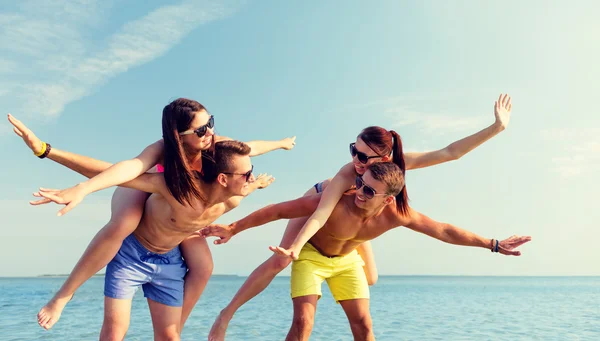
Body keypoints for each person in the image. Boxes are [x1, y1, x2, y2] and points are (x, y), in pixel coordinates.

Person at [206, 94, 514, 340]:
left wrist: (496, 128)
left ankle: (347, 243)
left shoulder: (397, 175)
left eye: (364, 156)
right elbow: (315, 214)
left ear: (386, 158)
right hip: (323, 203)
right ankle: (226, 315)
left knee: (371, 279)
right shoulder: (346, 178)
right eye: (354, 150)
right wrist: (275, 241)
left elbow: (450, 153)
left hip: (365, 215)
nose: (356, 160)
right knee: (282, 260)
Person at [7, 97, 294, 330]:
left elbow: (251, 149)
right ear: (178, 137)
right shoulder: (162, 152)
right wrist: (68, 172)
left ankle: (174, 329)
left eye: (211, 123)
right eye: (200, 130)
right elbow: (124, 170)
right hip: (146, 186)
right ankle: (64, 295)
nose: (210, 133)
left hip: (186, 206)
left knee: (204, 266)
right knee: (125, 223)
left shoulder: (216, 146)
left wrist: (280, 144)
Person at [202, 162, 531, 341]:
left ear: (387, 199)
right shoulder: (334, 200)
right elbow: (277, 210)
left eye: (369, 190)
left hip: (348, 261)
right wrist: (233, 229)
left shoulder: (399, 214)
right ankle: (226, 315)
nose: (359, 191)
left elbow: (444, 230)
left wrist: (493, 244)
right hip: (313, 257)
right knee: (303, 322)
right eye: (360, 183)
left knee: (363, 326)